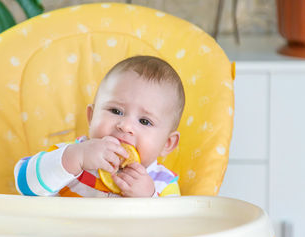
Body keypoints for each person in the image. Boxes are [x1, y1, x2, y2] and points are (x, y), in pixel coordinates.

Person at [14, 55, 185, 197]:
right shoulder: (73, 155)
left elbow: (173, 231)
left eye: (145, 121)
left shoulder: (163, 185)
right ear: (91, 117)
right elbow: (23, 184)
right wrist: (74, 159)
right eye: (116, 111)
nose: (125, 126)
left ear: (167, 144)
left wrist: (147, 199)